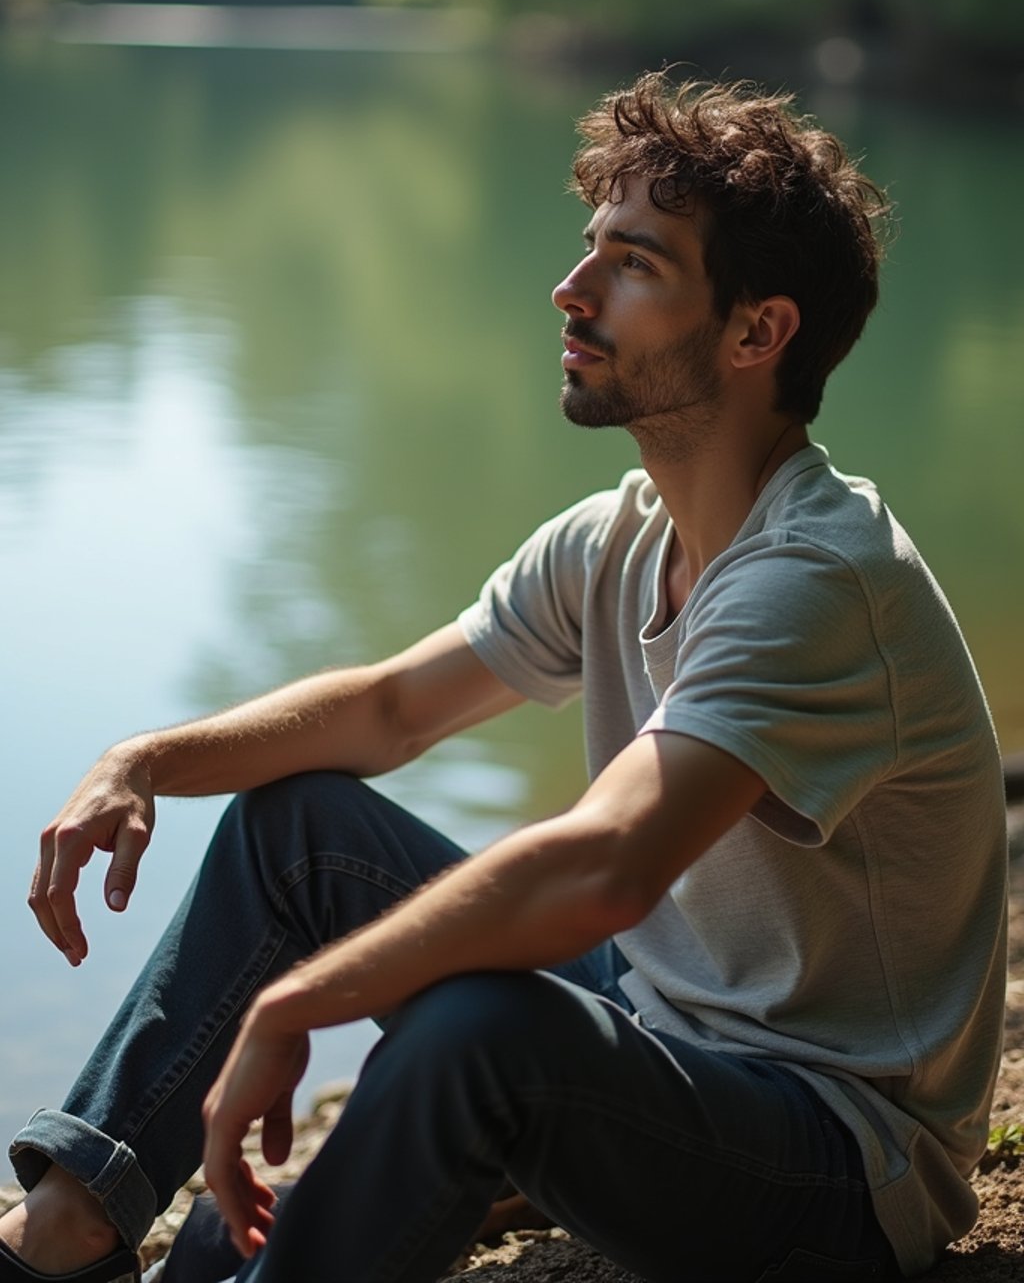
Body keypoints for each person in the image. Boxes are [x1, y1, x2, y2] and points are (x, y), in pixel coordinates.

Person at [0, 73, 1007, 1283]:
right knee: (301, 827)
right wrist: (142, 761)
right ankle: (66, 1232)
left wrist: (298, 1004)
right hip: (666, 1021)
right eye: (589, 250)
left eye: (633, 265)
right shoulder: (616, 537)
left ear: (756, 332)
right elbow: (385, 710)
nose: (570, 291)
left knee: (483, 1035)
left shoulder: (816, 580)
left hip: (838, 1156)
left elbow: (604, 867)